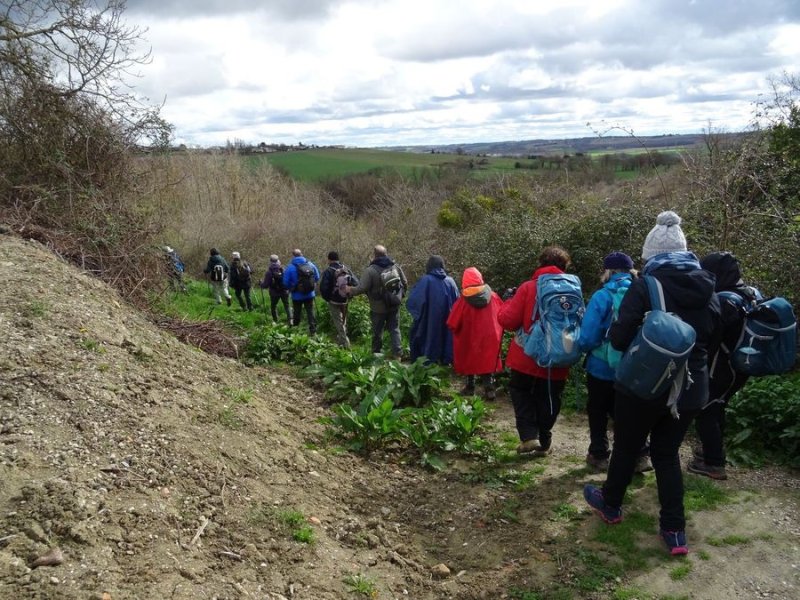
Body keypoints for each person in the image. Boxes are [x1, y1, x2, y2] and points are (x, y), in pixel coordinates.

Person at [583, 211, 721, 556]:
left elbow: (617, 339)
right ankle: (674, 530)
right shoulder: (708, 285)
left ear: (651, 255)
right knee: (667, 453)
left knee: (628, 445)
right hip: (691, 388)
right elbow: (714, 334)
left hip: (645, 385)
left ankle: (611, 505)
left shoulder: (647, 284)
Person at [498, 246, 573, 457]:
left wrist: (508, 301)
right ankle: (545, 440)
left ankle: (529, 436)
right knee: (550, 397)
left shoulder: (529, 287)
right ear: (564, 266)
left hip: (527, 356)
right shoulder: (572, 288)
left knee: (521, 392)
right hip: (560, 355)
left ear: (540, 263)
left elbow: (508, 321)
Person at [689, 251, 754, 480]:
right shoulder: (749, 293)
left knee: (706, 409)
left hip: (722, 365)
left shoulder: (725, 300)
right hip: (740, 365)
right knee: (717, 406)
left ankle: (714, 463)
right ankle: (711, 452)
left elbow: (713, 336)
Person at [578, 252, 637, 471]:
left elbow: (588, 336)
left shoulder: (602, 296)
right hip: (634, 366)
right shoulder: (643, 293)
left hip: (601, 366)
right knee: (628, 413)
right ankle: (639, 455)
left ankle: (599, 454)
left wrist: (582, 348)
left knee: (598, 410)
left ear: (608, 271)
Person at [446, 266, 504, 399]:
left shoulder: (463, 301)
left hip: (470, 339)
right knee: (487, 361)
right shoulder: (493, 296)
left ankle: (470, 387)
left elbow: (452, 322)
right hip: (490, 337)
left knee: (469, 359)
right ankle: (489, 389)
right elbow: (503, 314)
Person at [347, 245, 408, 358]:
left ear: (374, 255)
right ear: (386, 253)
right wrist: (400, 296)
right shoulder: (395, 267)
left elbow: (362, 288)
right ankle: (398, 354)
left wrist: (350, 290)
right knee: (394, 329)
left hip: (377, 307)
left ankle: (376, 354)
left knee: (377, 331)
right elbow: (404, 282)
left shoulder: (370, 270)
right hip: (394, 304)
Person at [406, 255, 459, 365]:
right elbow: (457, 302)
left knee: (423, 335)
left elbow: (414, 300)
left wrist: (419, 315)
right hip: (448, 319)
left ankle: (427, 361)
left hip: (429, 320)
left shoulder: (426, 280)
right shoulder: (451, 282)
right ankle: (445, 360)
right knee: (446, 336)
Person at [320, 251, 358, 348]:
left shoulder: (329, 271)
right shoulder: (346, 269)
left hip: (333, 300)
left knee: (338, 321)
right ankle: (341, 341)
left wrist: (328, 298)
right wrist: (349, 294)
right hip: (344, 299)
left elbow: (323, 287)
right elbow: (356, 283)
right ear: (338, 259)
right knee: (343, 320)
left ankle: (345, 342)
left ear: (329, 259)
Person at [282, 249, 320, 334]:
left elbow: (285, 282)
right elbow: (317, 277)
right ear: (302, 254)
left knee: (297, 312)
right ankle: (313, 330)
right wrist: (311, 285)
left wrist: (291, 288)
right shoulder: (310, 264)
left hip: (296, 295)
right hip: (310, 294)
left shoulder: (290, 267)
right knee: (310, 311)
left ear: (293, 256)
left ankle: (296, 330)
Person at [260, 254, 292, 324]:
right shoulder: (283, 269)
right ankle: (290, 320)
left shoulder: (269, 272)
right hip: (284, 291)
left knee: (273, 306)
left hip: (274, 292)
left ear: (270, 261)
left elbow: (265, 285)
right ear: (278, 260)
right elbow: (287, 281)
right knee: (287, 306)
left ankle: (276, 320)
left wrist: (261, 284)